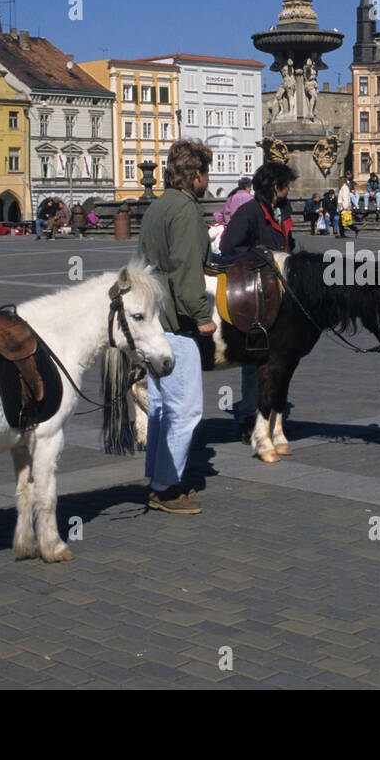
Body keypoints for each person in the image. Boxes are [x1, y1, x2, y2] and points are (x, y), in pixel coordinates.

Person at [136, 141, 217, 514]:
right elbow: (187, 275)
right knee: (184, 410)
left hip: (154, 321)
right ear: (196, 175)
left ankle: (157, 480)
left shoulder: (157, 206)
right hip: (177, 324)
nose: (206, 181)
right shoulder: (186, 210)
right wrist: (203, 316)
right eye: (206, 174)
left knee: (160, 408)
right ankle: (167, 488)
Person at [220, 161, 297, 444]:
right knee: (255, 360)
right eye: (287, 185)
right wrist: (260, 255)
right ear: (276, 187)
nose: (289, 190)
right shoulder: (249, 212)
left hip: (281, 293)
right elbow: (230, 247)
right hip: (256, 294)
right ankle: (248, 417)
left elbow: (289, 244)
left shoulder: (282, 210)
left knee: (277, 359)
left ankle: (269, 416)